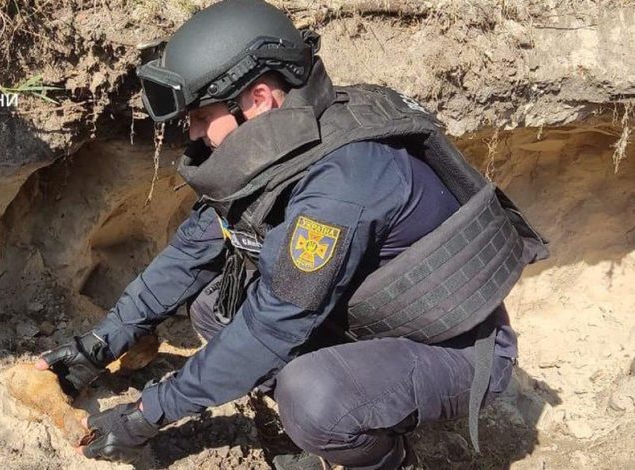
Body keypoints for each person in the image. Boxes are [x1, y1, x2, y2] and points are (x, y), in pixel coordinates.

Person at [34, 1, 548, 468]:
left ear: (257, 98)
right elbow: (191, 254)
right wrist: (96, 347)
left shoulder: (342, 185)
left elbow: (270, 328)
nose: (192, 134)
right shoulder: (279, 146)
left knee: (312, 397)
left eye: (200, 117)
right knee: (216, 306)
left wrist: (145, 416)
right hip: (365, 323)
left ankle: (384, 456)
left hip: (451, 349)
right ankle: (340, 407)